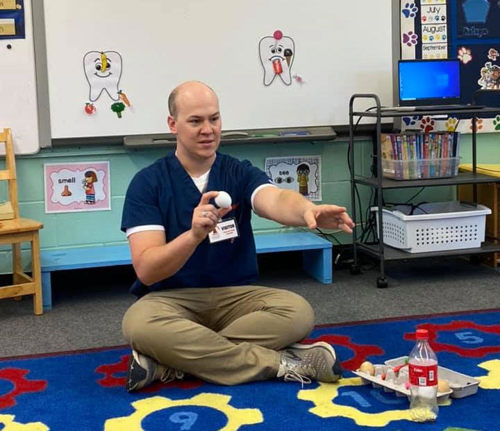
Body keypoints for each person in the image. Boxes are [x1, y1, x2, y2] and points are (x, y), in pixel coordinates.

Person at [121, 81, 355, 391]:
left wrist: (307, 210)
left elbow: (274, 199)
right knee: (138, 324)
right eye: (195, 121)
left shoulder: (239, 172)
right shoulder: (147, 183)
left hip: (237, 299)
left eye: (214, 119)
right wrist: (192, 236)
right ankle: (283, 363)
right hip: (171, 301)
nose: (208, 129)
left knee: (298, 312)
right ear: (172, 124)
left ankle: (171, 362)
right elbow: (148, 270)